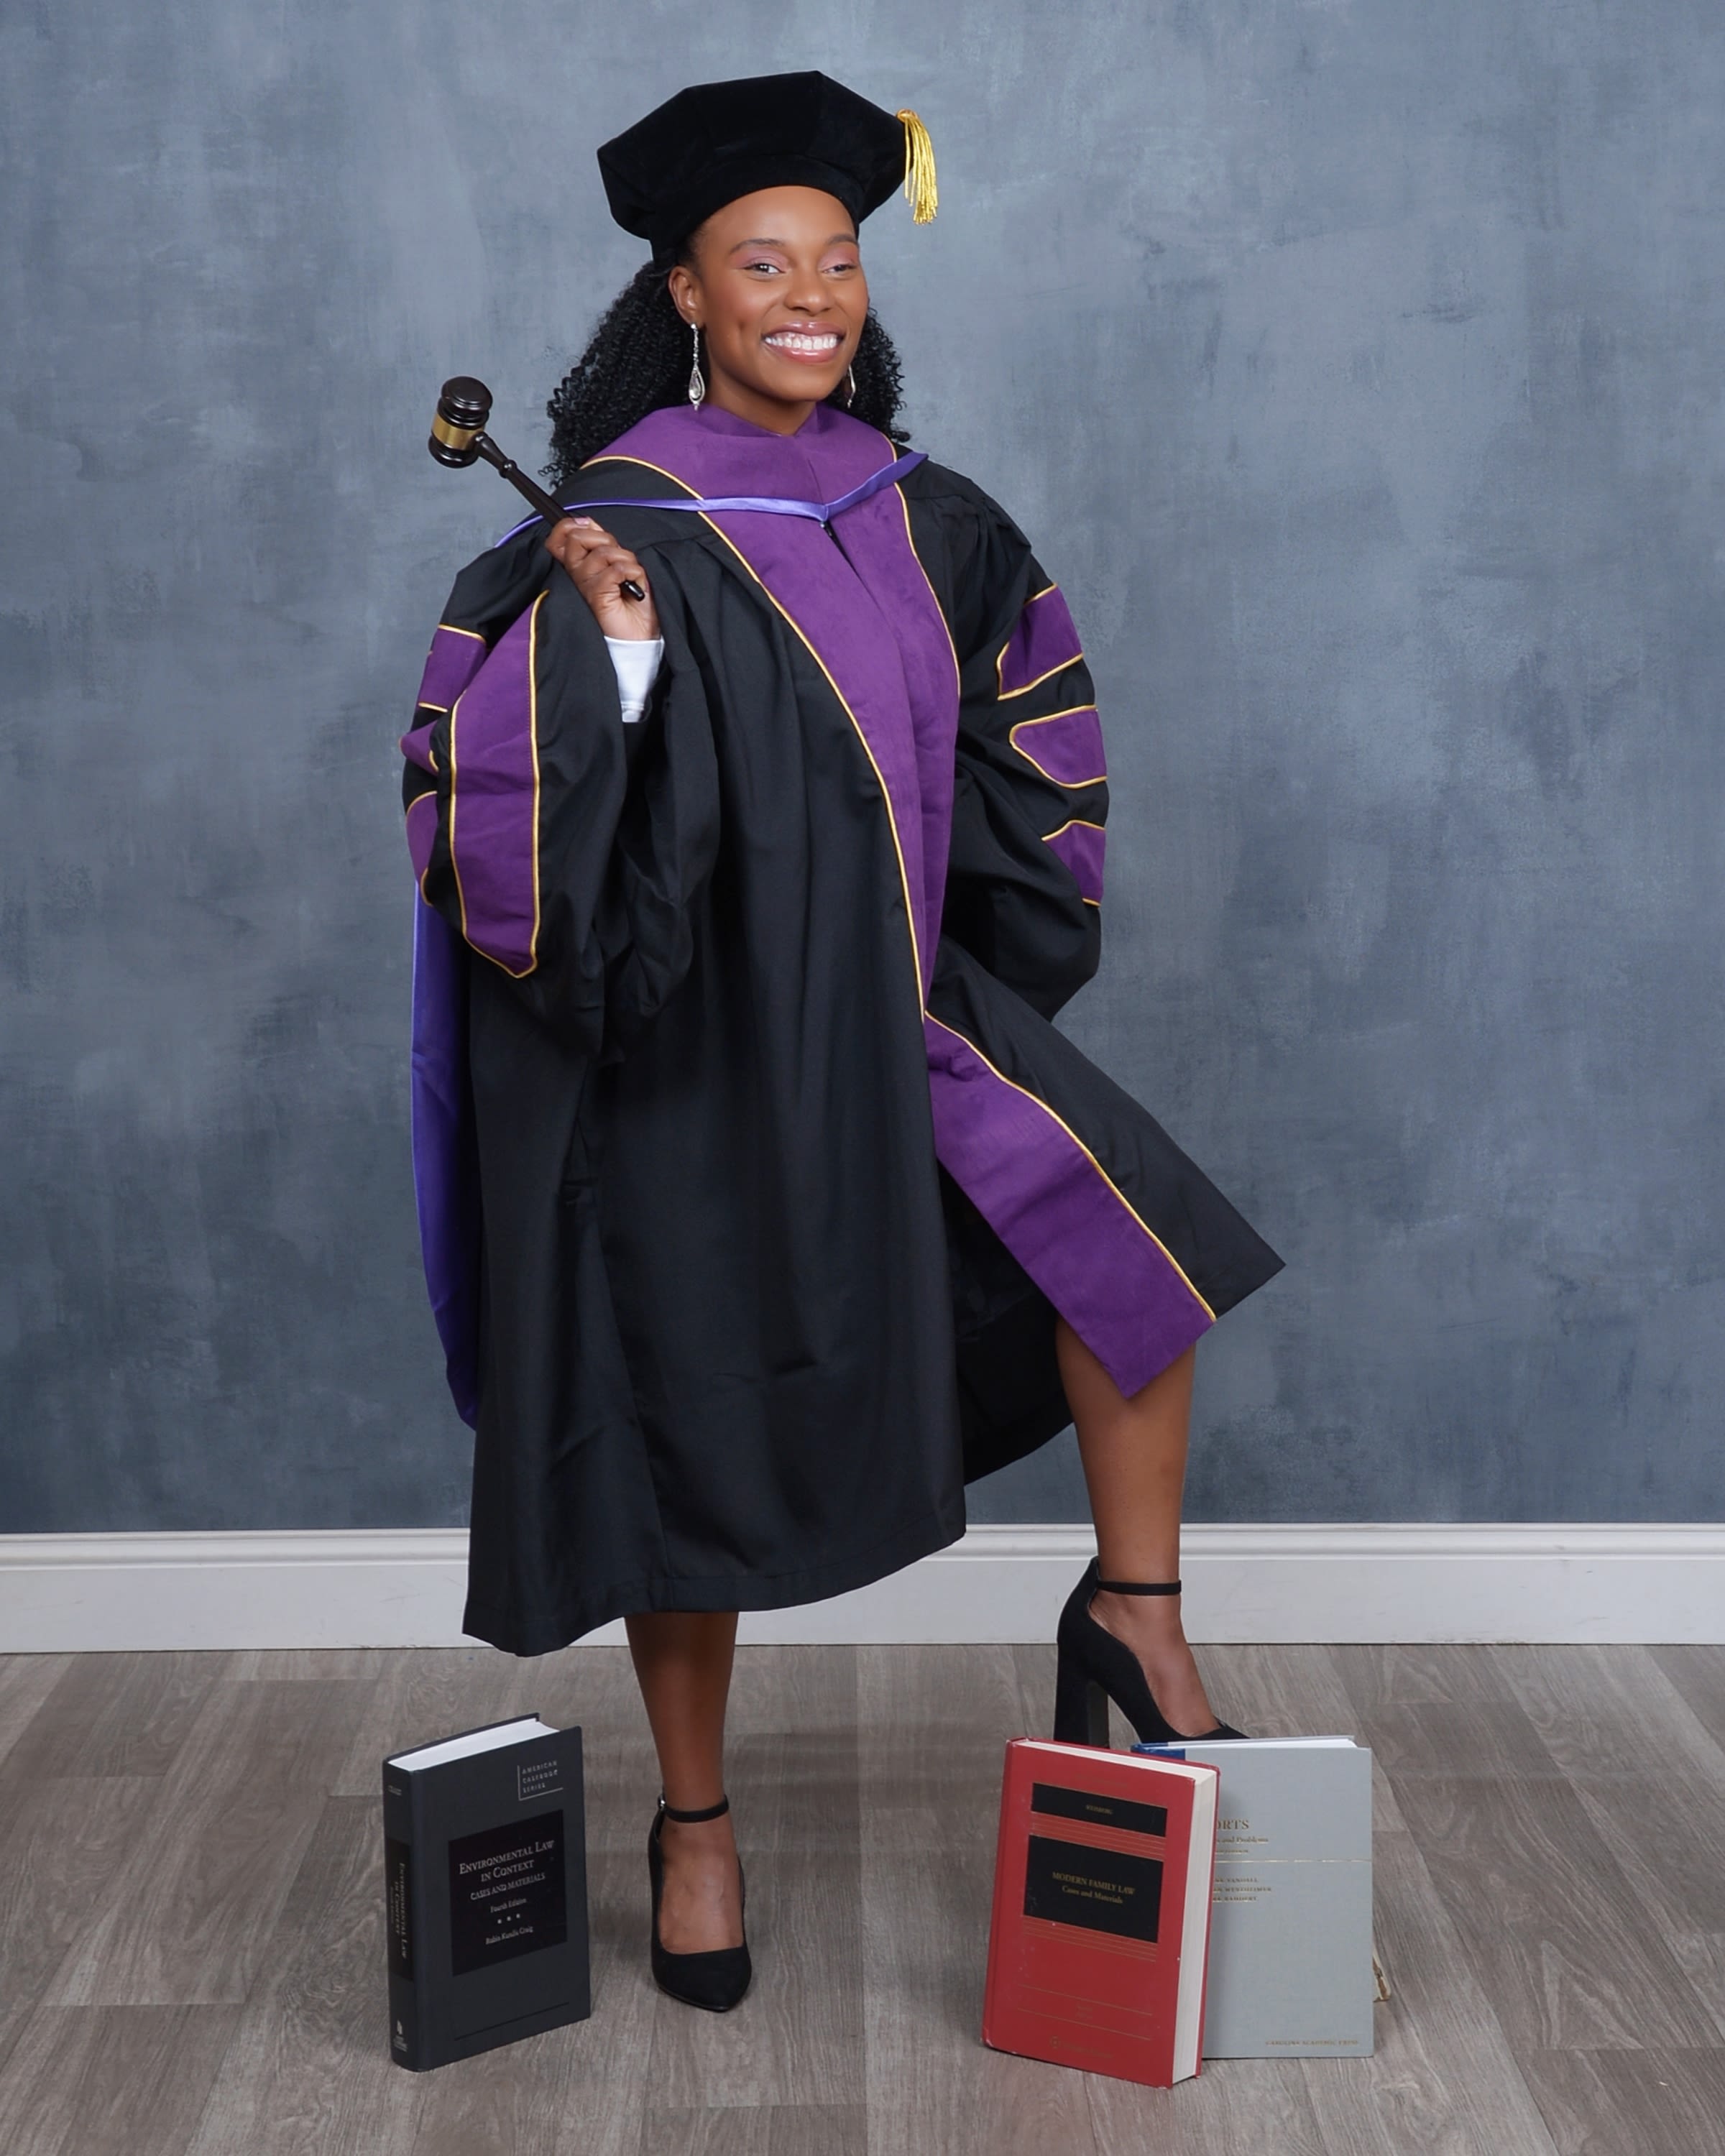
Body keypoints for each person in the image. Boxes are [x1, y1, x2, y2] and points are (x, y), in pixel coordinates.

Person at [401, 72, 1282, 2013]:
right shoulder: (609, 527)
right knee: (681, 1417)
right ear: (688, 296)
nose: (813, 298)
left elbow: (1029, 754)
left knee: (1145, 1263)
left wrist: (960, 955)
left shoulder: (922, 510)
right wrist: (622, 648)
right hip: (692, 1049)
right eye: (762, 266)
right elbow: (494, 817)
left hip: (891, 1010)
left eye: (840, 261)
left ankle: (1134, 1618)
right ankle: (694, 1823)